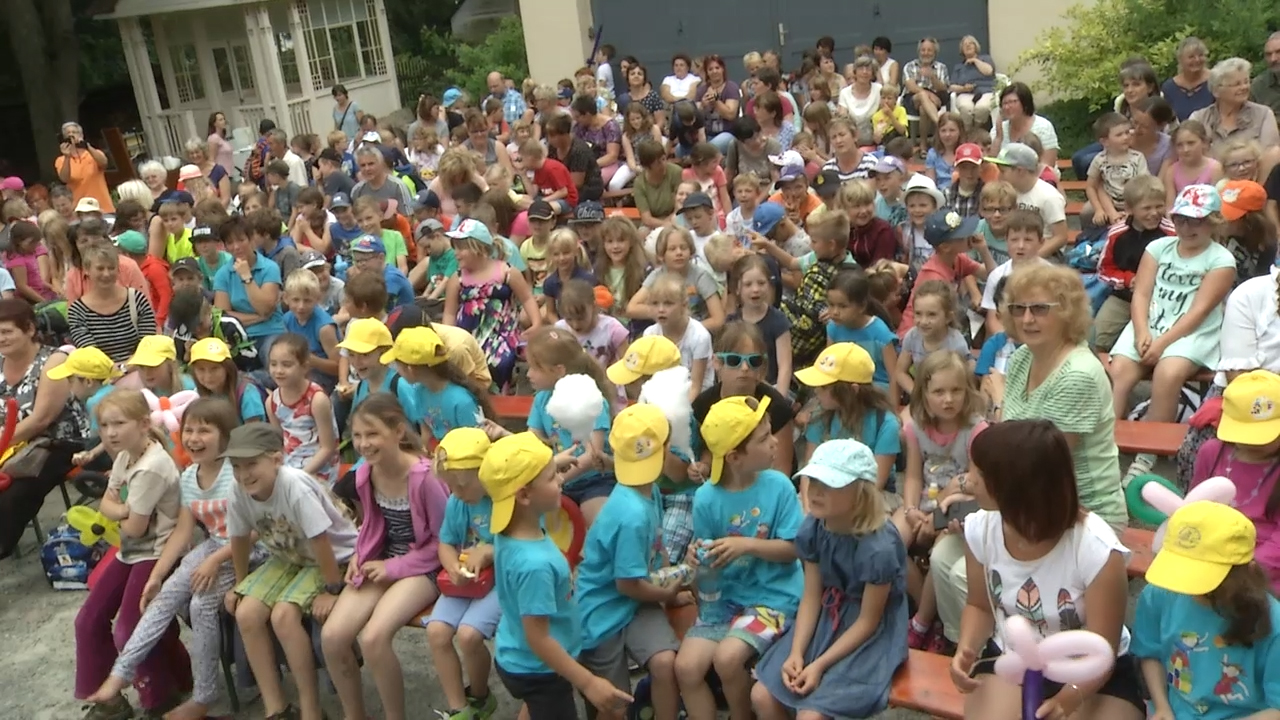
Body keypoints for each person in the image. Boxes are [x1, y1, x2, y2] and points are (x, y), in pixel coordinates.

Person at [948, 420, 1144, 720]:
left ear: (1013, 487)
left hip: (1091, 669)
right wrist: (967, 647)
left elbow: (1103, 645)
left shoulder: (1096, 549)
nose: (969, 480)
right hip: (1014, 657)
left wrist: (1070, 697)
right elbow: (979, 605)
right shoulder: (981, 529)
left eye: (980, 473)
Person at [85, 397, 242, 720]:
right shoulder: (190, 477)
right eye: (189, 431)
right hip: (214, 546)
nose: (194, 438)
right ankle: (120, 674)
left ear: (226, 435)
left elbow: (251, 533)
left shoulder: (236, 474)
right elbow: (184, 532)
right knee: (162, 598)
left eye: (205, 431)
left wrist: (214, 563)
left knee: (200, 606)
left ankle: (203, 697)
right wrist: (158, 575)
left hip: (243, 551)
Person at [479, 432, 633, 719]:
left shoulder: (510, 525)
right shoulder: (534, 565)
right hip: (540, 670)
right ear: (524, 495)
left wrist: (550, 465)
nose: (561, 480)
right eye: (552, 478)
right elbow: (538, 638)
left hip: (517, 654)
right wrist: (588, 682)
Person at [751, 439, 909, 720]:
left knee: (811, 715)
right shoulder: (813, 527)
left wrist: (819, 665)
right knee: (761, 696)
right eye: (813, 481)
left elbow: (868, 621)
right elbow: (812, 595)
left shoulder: (878, 547)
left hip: (865, 633)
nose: (816, 492)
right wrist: (797, 652)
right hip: (825, 617)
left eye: (830, 485)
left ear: (860, 492)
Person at [676, 396, 804, 720]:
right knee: (686, 667)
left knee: (728, 658)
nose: (775, 442)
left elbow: (795, 549)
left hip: (774, 597)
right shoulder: (706, 498)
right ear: (734, 457)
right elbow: (709, 566)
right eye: (763, 439)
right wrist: (696, 559)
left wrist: (746, 545)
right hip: (725, 600)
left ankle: (742, 715)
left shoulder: (780, 487)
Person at [321, 394, 445, 720]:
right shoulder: (365, 475)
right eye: (358, 435)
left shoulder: (425, 477)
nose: (364, 444)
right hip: (385, 560)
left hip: (425, 565)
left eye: (372, 434)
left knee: (374, 638)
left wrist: (394, 567)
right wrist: (358, 559)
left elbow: (447, 542)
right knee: (333, 638)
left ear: (398, 431)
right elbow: (371, 527)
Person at [225, 422, 357, 720]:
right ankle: (277, 708)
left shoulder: (294, 486)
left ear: (276, 459)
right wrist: (239, 582)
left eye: (251, 464)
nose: (244, 474)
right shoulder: (239, 490)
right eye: (236, 466)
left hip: (332, 557)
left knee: (284, 616)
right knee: (246, 612)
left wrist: (331, 588)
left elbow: (321, 540)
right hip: (289, 556)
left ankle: (311, 709)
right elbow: (239, 537)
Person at [74, 389, 191, 719]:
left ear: (142, 424)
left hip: (156, 552)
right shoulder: (126, 455)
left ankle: (161, 694)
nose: (109, 432)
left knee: (129, 629)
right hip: (131, 552)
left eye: (118, 424)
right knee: (88, 620)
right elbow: (107, 506)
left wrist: (120, 511)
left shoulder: (151, 466)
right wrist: (125, 509)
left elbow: (134, 527)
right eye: (104, 425)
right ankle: (109, 698)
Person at [1109, 185, 1236, 482]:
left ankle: (1147, 454)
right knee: (1120, 371)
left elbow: (1199, 312)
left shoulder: (1220, 260)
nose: (1187, 227)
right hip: (1150, 322)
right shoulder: (1158, 248)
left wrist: (1162, 342)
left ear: (1213, 221)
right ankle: (1105, 445)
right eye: (1181, 219)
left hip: (1192, 332)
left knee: (1168, 372)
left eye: (1196, 220)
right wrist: (1142, 330)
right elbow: (1140, 294)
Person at [575, 404, 683, 720]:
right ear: (664, 450)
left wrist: (669, 581)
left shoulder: (648, 491)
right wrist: (667, 593)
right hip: (602, 611)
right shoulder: (632, 513)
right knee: (615, 703)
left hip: (637, 599)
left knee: (665, 662)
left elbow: (657, 549)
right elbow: (627, 584)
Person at [1131, 501, 1280, 719]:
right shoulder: (1159, 594)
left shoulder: (1274, 624)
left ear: (1245, 573)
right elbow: (1150, 652)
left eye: (1204, 581)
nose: (1190, 588)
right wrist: (1162, 706)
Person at [0, 299, 89, 558]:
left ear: (29, 329)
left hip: (56, 442)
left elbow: (42, 418)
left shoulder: (53, 360)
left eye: (6, 332)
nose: (1, 339)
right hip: (12, 444)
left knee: (13, 492)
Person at [426, 428, 501, 720]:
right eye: (451, 488)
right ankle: (459, 708)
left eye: (460, 487)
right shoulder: (459, 501)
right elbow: (445, 543)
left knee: (469, 635)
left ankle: (481, 696)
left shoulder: (505, 497)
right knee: (436, 631)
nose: (455, 494)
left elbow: (525, 543)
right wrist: (451, 566)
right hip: (468, 581)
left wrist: (489, 551)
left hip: (500, 580)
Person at [67, 244, 157, 363]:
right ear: (87, 270)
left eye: (111, 268)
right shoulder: (77, 311)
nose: (106, 274)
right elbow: (90, 353)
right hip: (99, 372)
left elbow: (147, 344)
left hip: (139, 368)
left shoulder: (137, 300)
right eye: (100, 268)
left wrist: (125, 368)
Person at [1189, 58, 1280, 167]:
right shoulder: (1199, 118)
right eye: (1237, 84)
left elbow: (1269, 154)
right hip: (1212, 180)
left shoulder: (1263, 114)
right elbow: (1189, 153)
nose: (1244, 87)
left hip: (1254, 179)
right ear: (1216, 91)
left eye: (1246, 82)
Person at [990, 83, 1060, 168]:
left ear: (1025, 103)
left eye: (1013, 102)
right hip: (1006, 178)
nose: (1007, 107)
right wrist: (998, 137)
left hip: (1039, 177)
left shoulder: (1043, 127)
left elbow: (1048, 166)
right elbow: (991, 165)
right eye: (1004, 103)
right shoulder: (999, 129)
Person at [56, 121, 114, 212]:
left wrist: (86, 146)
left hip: (102, 207)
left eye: (74, 132)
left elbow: (104, 163)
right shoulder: (61, 160)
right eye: (68, 133)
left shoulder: (94, 153)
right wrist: (67, 157)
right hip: (80, 209)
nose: (71, 135)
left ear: (81, 135)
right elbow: (64, 179)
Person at [950, 36, 996, 130]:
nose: (967, 45)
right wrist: (963, 89)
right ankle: (968, 131)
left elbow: (988, 71)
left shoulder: (985, 59)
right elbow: (952, 86)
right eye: (964, 44)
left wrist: (975, 61)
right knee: (965, 107)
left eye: (970, 43)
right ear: (962, 50)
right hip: (966, 93)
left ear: (976, 46)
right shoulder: (959, 67)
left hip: (986, 91)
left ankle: (975, 130)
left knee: (982, 107)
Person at [1162, 37, 1213, 121]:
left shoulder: (1216, 81)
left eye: (1200, 55)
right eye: (1191, 57)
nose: (1197, 60)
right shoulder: (1169, 88)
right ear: (1180, 59)